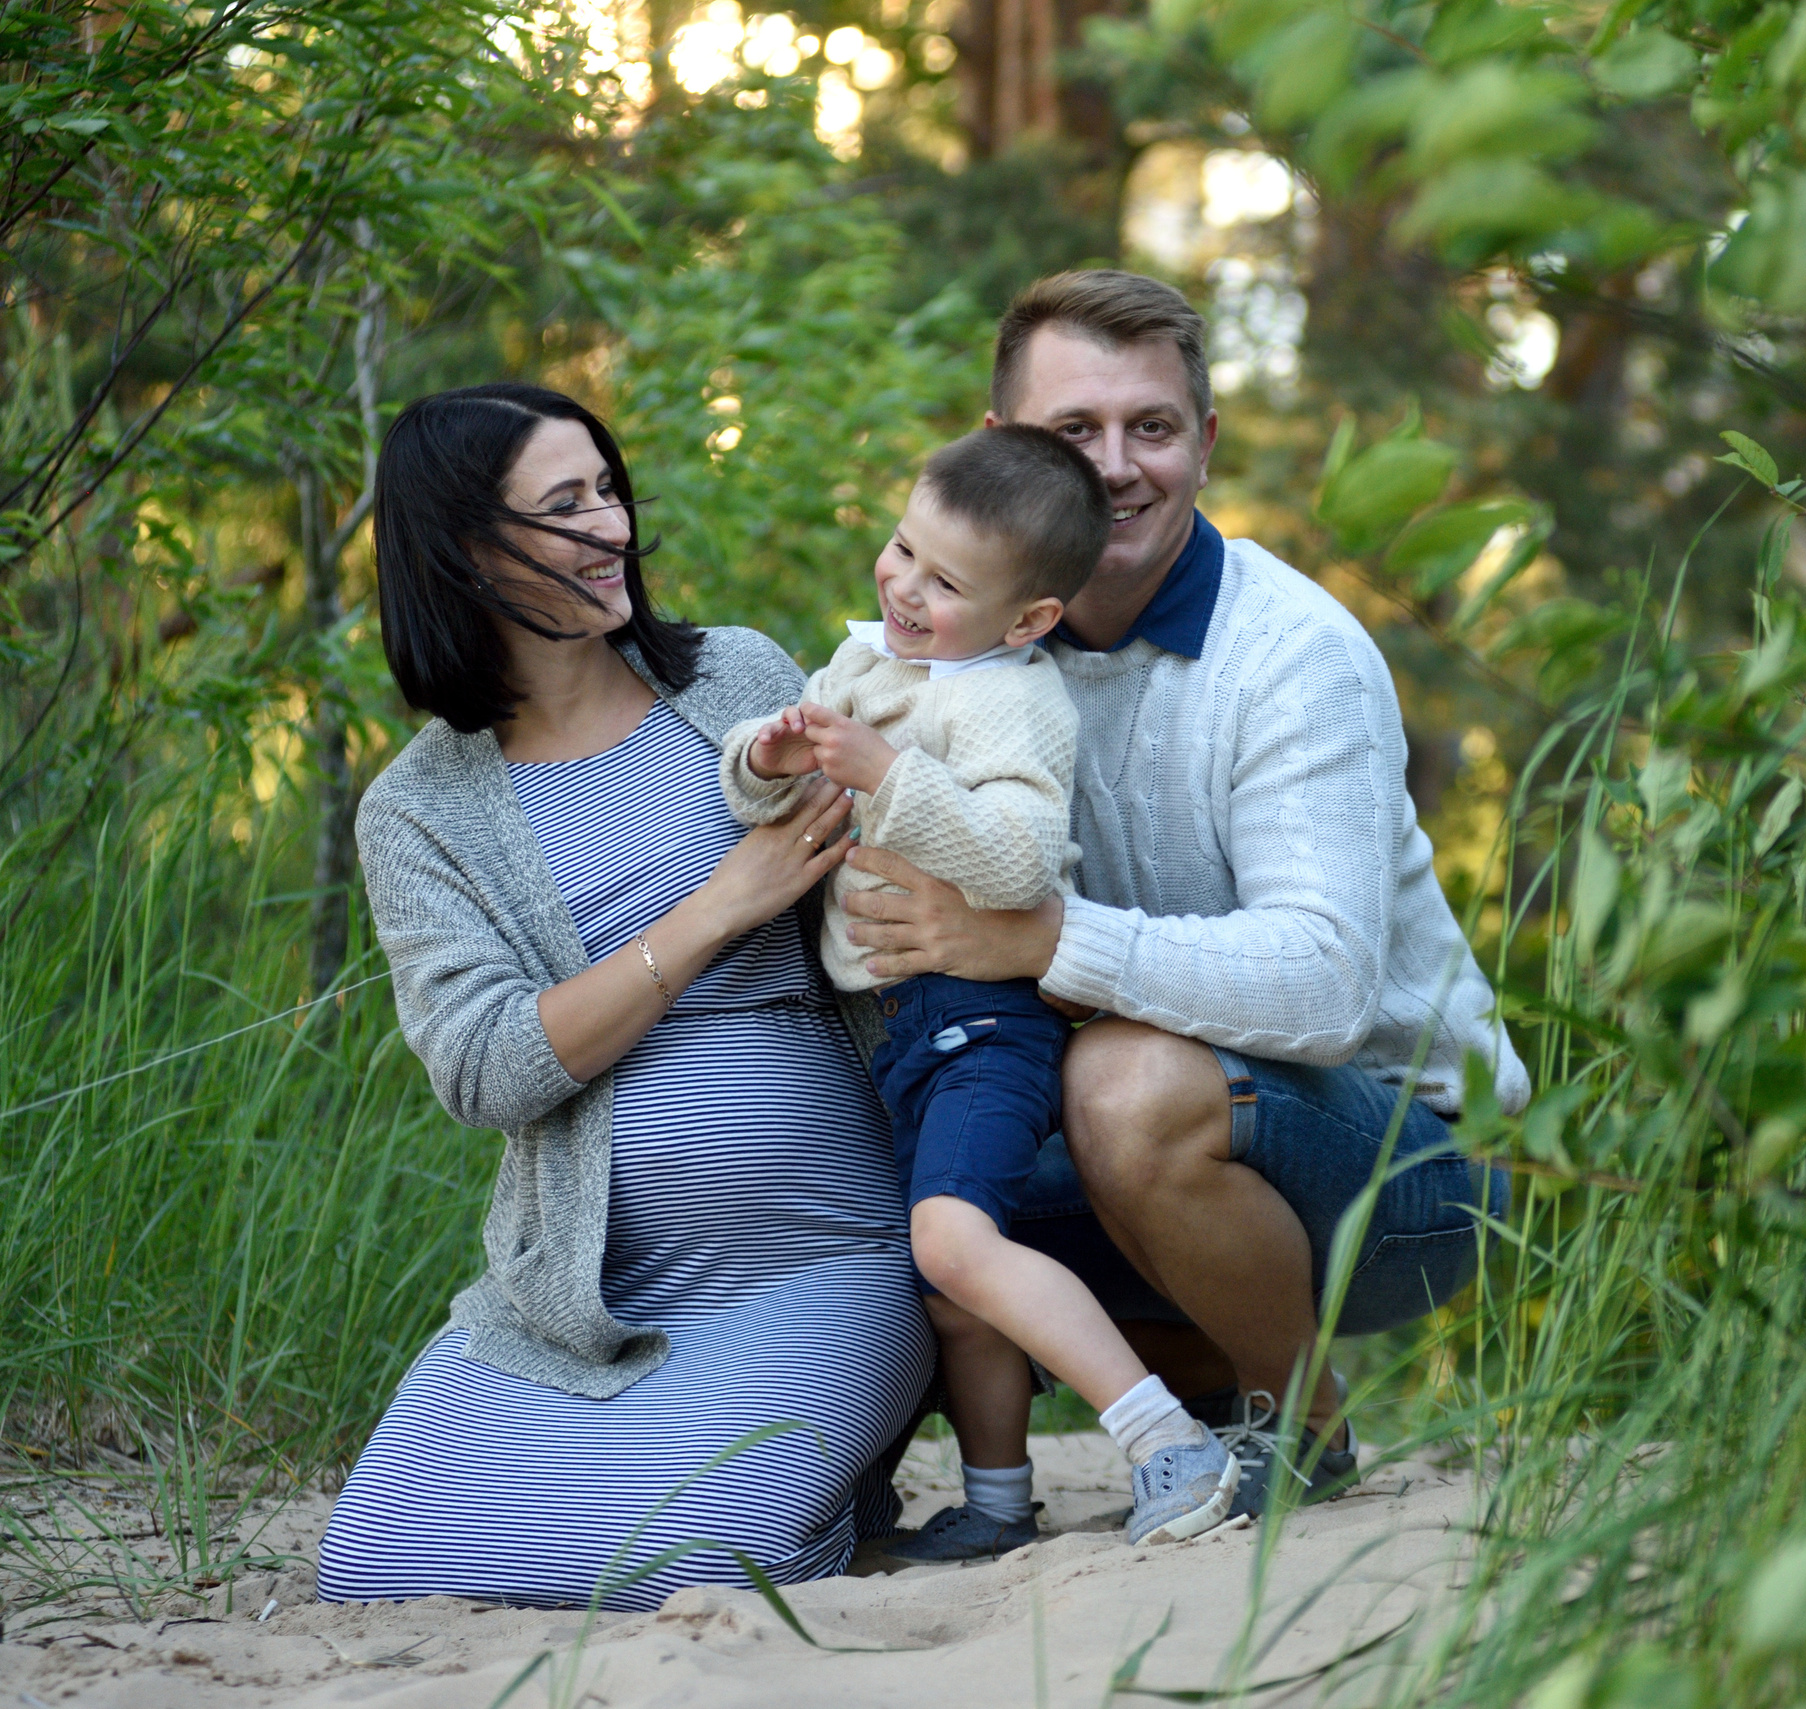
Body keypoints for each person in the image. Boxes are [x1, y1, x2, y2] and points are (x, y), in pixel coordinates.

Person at [833, 271, 1532, 1541]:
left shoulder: (1292, 655)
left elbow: (1322, 985)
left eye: (1150, 428)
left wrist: (1040, 941)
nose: (1113, 468)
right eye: (1070, 433)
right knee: (865, 1165)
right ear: (999, 448)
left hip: (1401, 1163)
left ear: (1204, 444)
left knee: (1125, 1081)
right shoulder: (951, 643)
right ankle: (898, 1454)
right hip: (1120, 1156)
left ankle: (1299, 1423)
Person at [317, 382, 935, 1608]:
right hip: (581, 1299)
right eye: (564, 507)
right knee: (376, 1560)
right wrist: (717, 907)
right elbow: (487, 1066)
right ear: (463, 549)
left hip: (826, 1249)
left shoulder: (734, 681)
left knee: (684, 1561)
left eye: (609, 491)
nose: (610, 528)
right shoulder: (420, 808)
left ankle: (828, 1483)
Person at [718, 425, 1239, 1557]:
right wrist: (767, 760)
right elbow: (773, 798)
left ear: (1028, 618)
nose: (904, 587)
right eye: (902, 549)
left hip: (985, 1021)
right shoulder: (865, 666)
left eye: (944, 582)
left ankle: (1167, 1441)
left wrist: (888, 774)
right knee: (949, 1284)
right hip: (904, 1029)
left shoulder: (1007, 698)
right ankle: (997, 1503)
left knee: (954, 1243)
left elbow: (1014, 860)